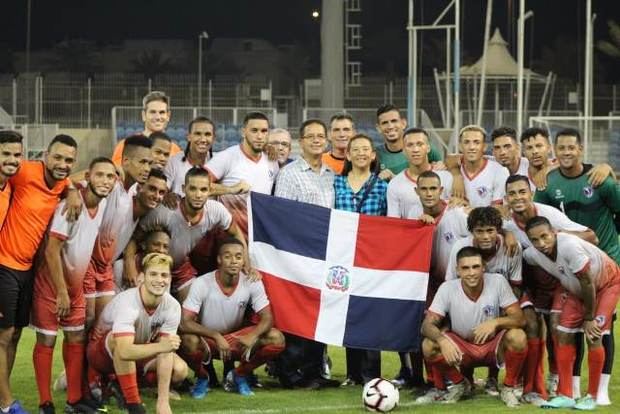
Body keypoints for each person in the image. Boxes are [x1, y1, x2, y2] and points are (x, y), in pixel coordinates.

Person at [0, 134, 81, 414]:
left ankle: (2, 396)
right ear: (45, 155)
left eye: (68, 159)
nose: (62, 163)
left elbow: (72, 179)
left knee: (15, 335)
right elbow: (6, 167)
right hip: (4, 263)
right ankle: (8, 404)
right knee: (4, 334)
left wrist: (70, 188)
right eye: (57, 157)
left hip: (26, 269)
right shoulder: (24, 171)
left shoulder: (61, 183)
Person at [32, 157, 118, 414]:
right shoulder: (69, 207)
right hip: (51, 285)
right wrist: (60, 290)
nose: (105, 181)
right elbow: (51, 250)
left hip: (76, 286)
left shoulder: (101, 207)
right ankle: (45, 403)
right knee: (46, 341)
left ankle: (74, 400)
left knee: (77, 338)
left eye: (110, 177)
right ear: (88, 176)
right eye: (99, 175)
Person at [524, 216, 620, 410]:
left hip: (606, 285)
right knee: (563, 335)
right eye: (535, 240)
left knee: (594, 335)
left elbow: (587, 282)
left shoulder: (569, 246)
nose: (541, 244)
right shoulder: (532, 254)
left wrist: (589, 318)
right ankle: (566, 394)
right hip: (576, 289)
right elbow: (528, 267)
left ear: (554, 232)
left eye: (545, 236)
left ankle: (592, 396)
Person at [418, 246, 527, 407]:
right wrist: (442, 340)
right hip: (463, 348)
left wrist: (495, 322)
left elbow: (520, 319)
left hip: (493, 347)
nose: (471, 272)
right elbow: (426, 326)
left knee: (518, 336)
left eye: (476, 267)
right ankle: (460, 384)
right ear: (458, 270)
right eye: (465, 268)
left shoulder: (498, 281)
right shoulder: (447, 288)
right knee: (428, 345)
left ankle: (508, 388)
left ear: (483, 267)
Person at [273, 119, 338, 389]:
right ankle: (290, 372)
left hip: (325, 254)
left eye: (320, 136)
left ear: (326, 141)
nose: (315, 140)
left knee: (320, 314)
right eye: (310, 136)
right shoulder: (289, 173)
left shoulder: (331, 175)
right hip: (298, 254)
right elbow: (282, 214)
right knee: (296, 313)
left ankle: (315, 371)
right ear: (300, 141)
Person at [179, 238, 285, 398]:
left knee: (276, 338)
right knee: (187, 340)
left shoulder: (251, 281)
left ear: (244, 260)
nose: (233, 261)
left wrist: (252, 335)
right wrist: (215, 336)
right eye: (228, 256)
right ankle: (202, 378)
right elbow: (184, 322)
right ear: (219, 259)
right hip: (209, 340)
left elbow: (267, 318)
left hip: (236, 340)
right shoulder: (202, 283)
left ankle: (239, 374)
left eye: (238, 256)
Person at [87, 253, 187, 414]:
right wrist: (161, 346)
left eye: (164, 275)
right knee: (118, 342)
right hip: (100, 355)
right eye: (153, 274)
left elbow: (165, 351)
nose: (159, 280)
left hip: (138, 349)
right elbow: (125, 351)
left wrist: (163, 403)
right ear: (142, 277)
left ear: (169, 279)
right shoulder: (128, 303)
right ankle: (133, 404)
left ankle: (119, 384)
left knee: (180, 369)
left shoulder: (172, 306)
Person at [128, 167, 248, 301]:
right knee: (150, 304)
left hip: (180, 267)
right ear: (184, 189)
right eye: (193, 189)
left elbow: (237, 234)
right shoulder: (165, 211)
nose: (198, 195)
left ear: (210, 190)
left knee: (193, 306)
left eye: (203, 190)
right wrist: (130, 266)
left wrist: (247, 265)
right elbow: (133, 239)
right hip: (152, 264)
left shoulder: (216, 210)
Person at [85, 137, 166, 321]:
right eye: (142, 162)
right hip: (88, 264)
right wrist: (72, 190)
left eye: (149, 163)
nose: (147, 168)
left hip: (105, 266)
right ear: (126, 161)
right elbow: (80, 180)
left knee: (102, 324)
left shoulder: (131, 192)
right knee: (85, 324)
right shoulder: (111, 185)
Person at [333, 133, 386, 386]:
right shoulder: (335, 184)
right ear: (348, 154)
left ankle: (371, 375)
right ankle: (353, 374)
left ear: (373, 155)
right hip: (343, 259)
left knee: (371, 316)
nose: (362, 153)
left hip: (371, 259)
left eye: (367, 149)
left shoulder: (383, 186)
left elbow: (391, 223)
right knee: (349, 315)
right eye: (357, 149)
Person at [534, 128, 620, 264]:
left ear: (580, 149)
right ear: (555, 150)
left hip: (607, 257)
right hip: (571, 259)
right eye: (562, 148)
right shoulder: (547, 184)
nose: (566, 152)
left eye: (571, 148)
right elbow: (538, 221)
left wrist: (613, 236)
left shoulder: (601, 179)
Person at [206, 111, 279, 237]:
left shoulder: (272, 161)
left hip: (259, 236)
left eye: (264, 131)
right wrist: (231, 189)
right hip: (230, 235)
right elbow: (197, 185)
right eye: (254, 130)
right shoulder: (226, 157)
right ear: (243, 132)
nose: (260, 136)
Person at [387, 127, 453, 219]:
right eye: (410, 145)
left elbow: (455, 208)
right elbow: (393, 222)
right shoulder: (395, 184)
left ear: (428, 148)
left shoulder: (446, 177)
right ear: (403, 151)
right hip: (412, 233)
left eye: (420, 144)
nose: (415, 150)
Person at [520, 127, 613, 191]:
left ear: (549, 148)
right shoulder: (519, 176)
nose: (535, 151)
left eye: (539, 146)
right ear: (523, 152)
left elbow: (583, 168)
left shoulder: (564, 165)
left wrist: (605, 167)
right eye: (529, 148)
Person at [374, 104, 442, 181]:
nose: (390, 126)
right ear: (378, 128)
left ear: (403, 124)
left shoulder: (423, 147)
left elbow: (443, 169)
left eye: (394, 121)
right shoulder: (375, 154)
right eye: (385, 123)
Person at [111, 91, 181, 165]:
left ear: (168, 115)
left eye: (162, 112)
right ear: (144, 115)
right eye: (153, 112)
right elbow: (117, 174)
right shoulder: (126, 145)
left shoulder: (176, 150)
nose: (157, 117)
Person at [457, 125, 509, 207]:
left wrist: (470, 210)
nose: (471, 147)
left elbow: (498, 210)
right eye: (467, 142)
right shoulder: (451, 170)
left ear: (484, 146)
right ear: (460, 146)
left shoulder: (499, 171)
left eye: (476, 142)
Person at [165, 116, 215, 196]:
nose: (203, 139)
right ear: (189, 136)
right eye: (197, 134)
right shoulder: (173, 162)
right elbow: (162, 190)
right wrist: (166, 196)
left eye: (207, 134)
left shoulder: (219, 161)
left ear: (214, 138)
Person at [0, 131, 23, 227]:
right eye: (6, 154)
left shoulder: (9, 187)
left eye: (17, 155)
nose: (12, 160)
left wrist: (71, 190)